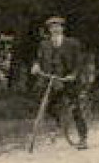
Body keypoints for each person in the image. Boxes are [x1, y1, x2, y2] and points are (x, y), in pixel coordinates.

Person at [30, 16, 91, 149]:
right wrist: (35, 66)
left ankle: (83, 138)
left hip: (68, 81)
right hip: (51, 80)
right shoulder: (44, 45)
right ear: (49, 30)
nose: (55, 30)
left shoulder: (72, 43)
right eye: (52, 28)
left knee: (76, 109)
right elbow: (38, 59)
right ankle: (57, 124)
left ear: (62, 29)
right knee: (46, 105)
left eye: (58, 27)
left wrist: (73, 75)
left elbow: (79, 62)